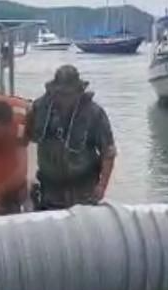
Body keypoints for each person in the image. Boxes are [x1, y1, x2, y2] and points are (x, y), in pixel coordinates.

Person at [26, 65, 116, 210]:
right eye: (60, 93)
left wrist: (102, 186)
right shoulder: (39, 108)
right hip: (49, 191)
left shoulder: (95, 114)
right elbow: (24, 140)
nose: (64, 98)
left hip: (84, 192)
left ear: (79, 91)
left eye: (69, 94)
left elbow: (108, 153)